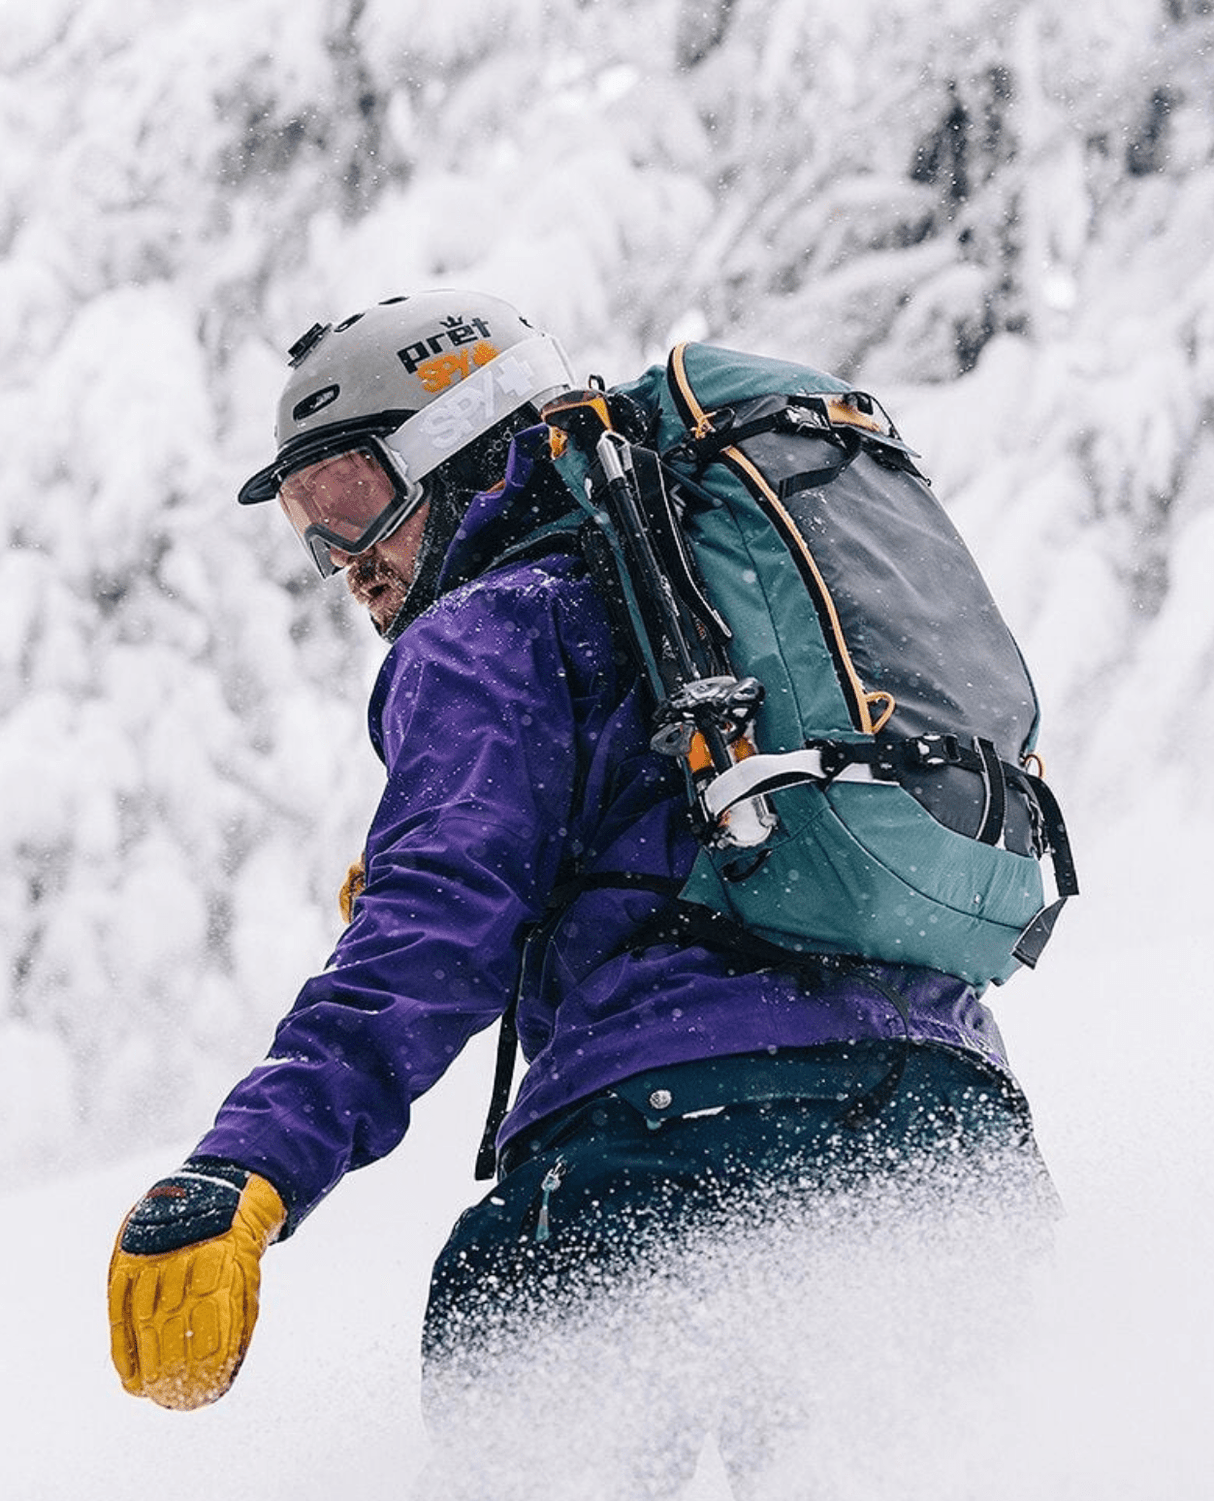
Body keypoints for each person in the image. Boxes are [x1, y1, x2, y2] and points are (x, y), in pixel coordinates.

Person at [108, 290, 1058, 1498]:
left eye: (352, 500)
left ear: (464, 447)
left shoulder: (489, 627)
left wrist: (245, 1166)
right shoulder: (699, 614)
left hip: (664, 1149)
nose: (346, 565)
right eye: (310, 530)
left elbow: (424, 938)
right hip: (945, 1129)